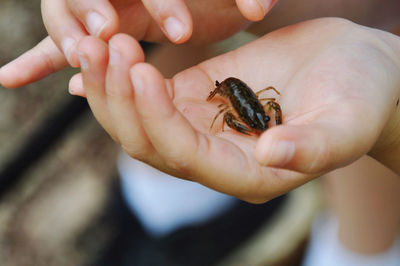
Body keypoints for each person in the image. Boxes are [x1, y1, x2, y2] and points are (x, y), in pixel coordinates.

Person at [1, 1, 400, 265]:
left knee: (363, 14)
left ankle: (365, 248)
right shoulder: (233, 99)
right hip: (222, 73)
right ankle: (181, 205)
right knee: (170, 9)